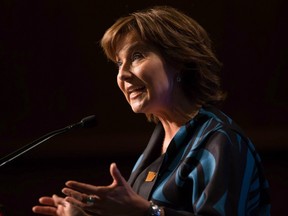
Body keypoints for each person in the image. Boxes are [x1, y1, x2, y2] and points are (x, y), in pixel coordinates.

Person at [32, 5, 270, 216]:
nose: (122, 74)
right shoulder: (157, 146)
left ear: (179, 60)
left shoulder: (220, 141)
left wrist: (147, 212)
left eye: (136, 56)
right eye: (118, 63)